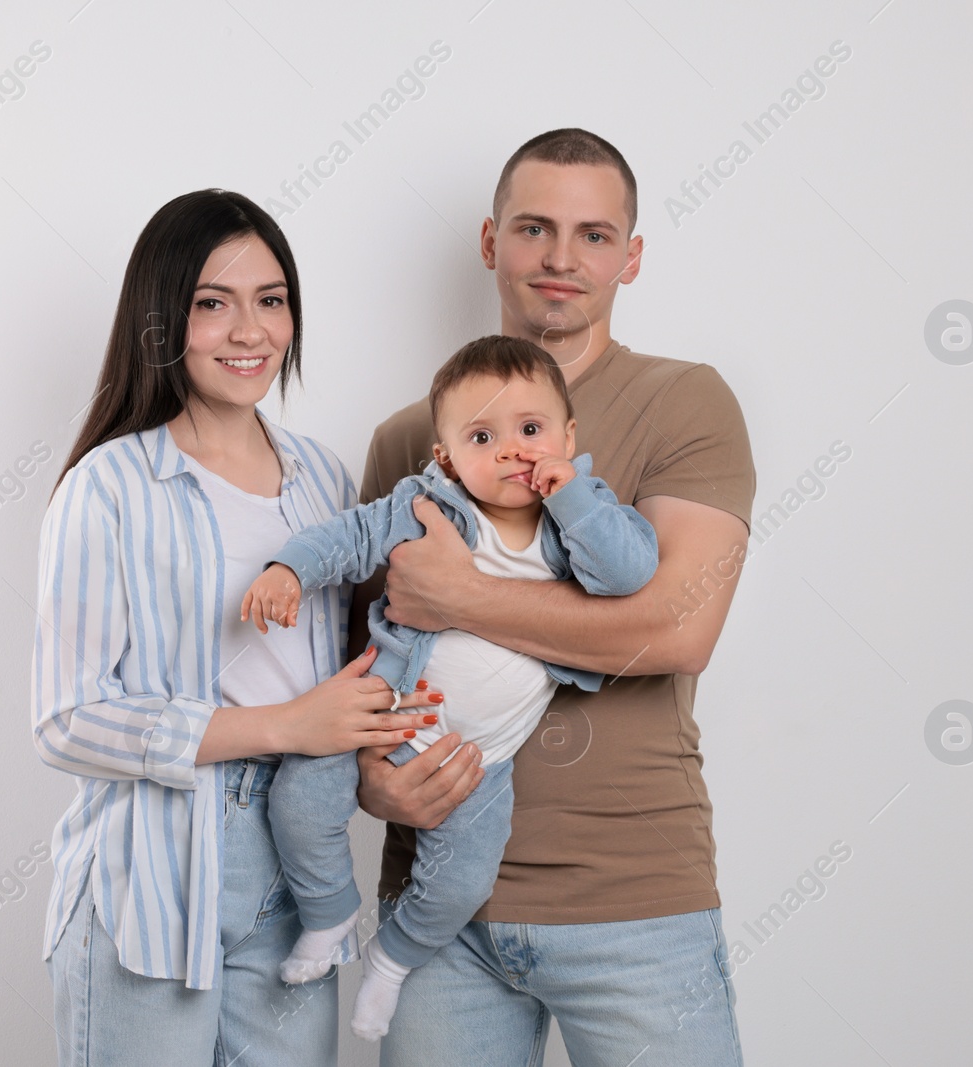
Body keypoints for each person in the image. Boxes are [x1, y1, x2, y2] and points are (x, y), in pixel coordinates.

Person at [353, 129, 757, 1066]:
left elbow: (677, 627)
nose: (562, 258)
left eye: (594, 234)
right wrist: (372, 786)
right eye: (535, 228)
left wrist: (460, 596)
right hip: (436, 911)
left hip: (633, 900)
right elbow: (363, 670)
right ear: (491, 242)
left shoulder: (686, 401)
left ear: (633, 256)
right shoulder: (408, 438)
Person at [30, 188, 442, 1067]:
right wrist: (281, 727)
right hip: (152, 866)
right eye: (213, 303)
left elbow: (360, 661)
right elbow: (67, 718)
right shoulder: (108, 487)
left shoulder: (323, 480)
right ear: (162, 318)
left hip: (297, 863)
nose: (249, 330)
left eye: (272, 299)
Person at [241, 334, 659, 1041]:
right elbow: (347, 537)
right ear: (446, 458)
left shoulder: (579, 522)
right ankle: (328, 912)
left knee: (463, 882)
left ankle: (393, 959)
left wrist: (576, 497)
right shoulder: (429, 508)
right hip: (381, 712)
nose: (512, 451)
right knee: (299, 798)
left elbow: (628, 575)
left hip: (481, 759)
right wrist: (288, 569)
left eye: (531, 430)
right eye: (482, 436)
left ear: (567, 436)